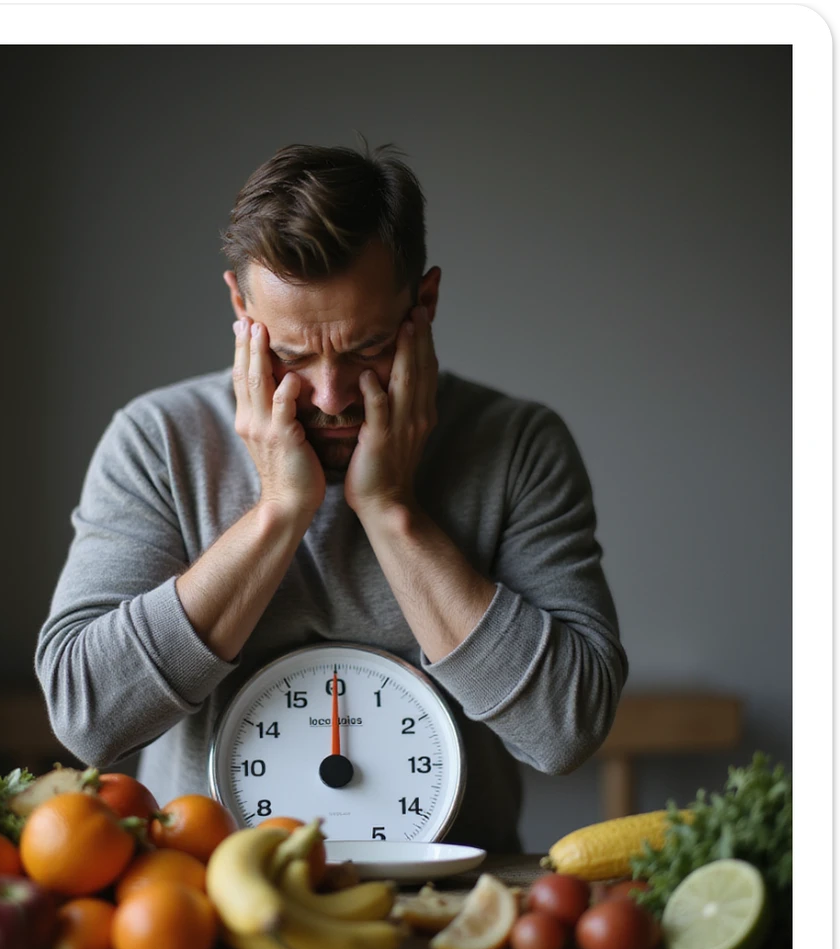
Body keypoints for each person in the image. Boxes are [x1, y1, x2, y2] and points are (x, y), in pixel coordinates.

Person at [35, 141, 628, 854]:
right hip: (203, 903)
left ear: (425, 302)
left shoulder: (518, 446)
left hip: (458, 906)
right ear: (240, 306)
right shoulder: (158, 440)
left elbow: (565, 730)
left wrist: (390, 511)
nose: (331, 395)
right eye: (289, 355)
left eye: (366, 347)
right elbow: (88, 717)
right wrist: (279, 512)